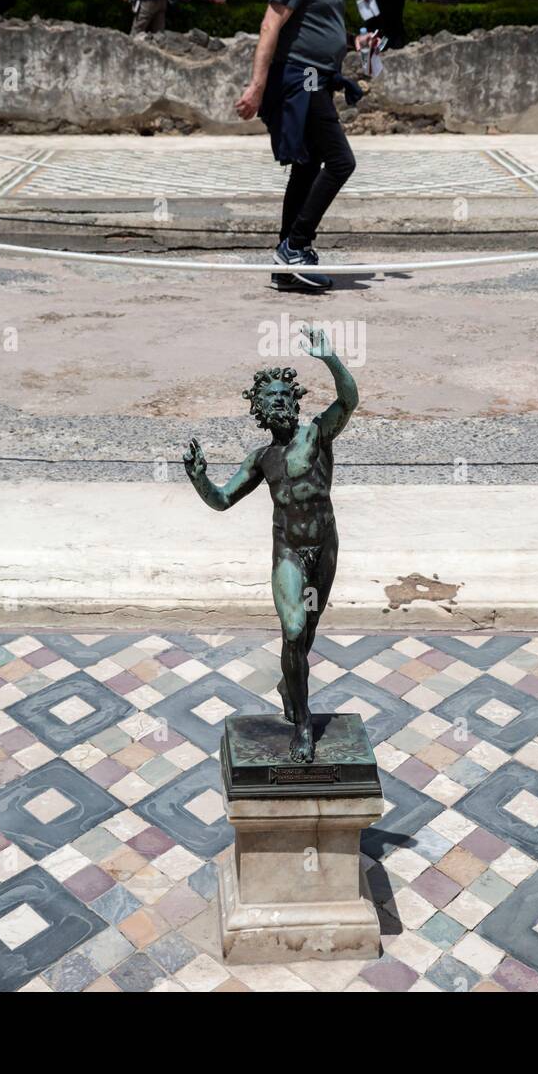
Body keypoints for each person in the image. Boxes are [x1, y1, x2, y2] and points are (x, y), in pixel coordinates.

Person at [183, 325, 357, 763]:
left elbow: (349, 401)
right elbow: (222, 500)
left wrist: (330, 358)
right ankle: (302, 723)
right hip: (289, 553)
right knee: (294, 632)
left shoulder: (316, 435)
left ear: (295, 401)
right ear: (258, 410)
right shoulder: (262, 458)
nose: (279, 402)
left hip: (325, 548)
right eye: (270, 398)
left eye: (284, 395)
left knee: (307, 634)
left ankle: (288, 684)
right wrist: (199, 477)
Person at [235, 0, 377, 292]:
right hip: (302, 79)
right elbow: (271, 26)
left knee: (308, 164)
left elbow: (317, 29)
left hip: (318, 76)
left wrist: (355, 42)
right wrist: (257, 86)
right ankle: (295, 245)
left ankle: (287, 261)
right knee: (340, 161)